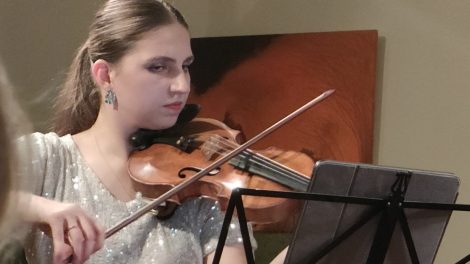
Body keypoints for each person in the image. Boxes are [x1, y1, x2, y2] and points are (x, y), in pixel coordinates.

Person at [22, 1, 257, 263]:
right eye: (158, 67)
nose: (181, 85)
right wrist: (36, 207)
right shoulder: (49, 159)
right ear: (105, 75)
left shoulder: (200, 182)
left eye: (185, 66)